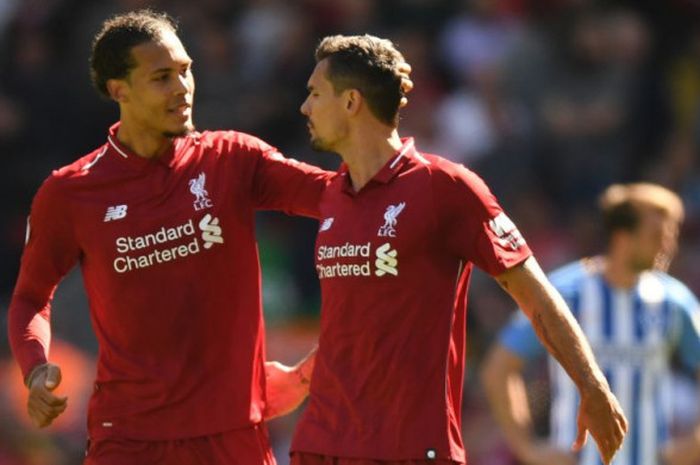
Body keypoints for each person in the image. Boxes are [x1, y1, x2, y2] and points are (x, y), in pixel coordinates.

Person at [7, 10, 411, 465]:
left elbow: (339, 197)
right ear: (119, 89)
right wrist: (36, 367)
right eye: (162, 77)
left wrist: (409, 176)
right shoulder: (70, 193)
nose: (182, 89)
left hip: (234, 436)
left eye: (186, 71)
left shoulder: (232, 159)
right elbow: (29, 299)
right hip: (129, 440)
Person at [266, 34, 627, 465]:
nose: (304, 107)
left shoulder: (445, 187)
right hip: (321, 445)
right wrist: (299, 379)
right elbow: (355, 326)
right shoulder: (331, 196)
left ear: (351, 102)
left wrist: (592, 385)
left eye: (314, 94)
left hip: (411, 448)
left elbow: (536, 294)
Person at [481, 183, 700, 465]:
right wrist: (529, 450)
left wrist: (695, 443)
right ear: (623, 237)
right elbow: (499, 369)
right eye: (657, 235)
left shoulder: (674, 301)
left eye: (672, 235)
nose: (668, 246)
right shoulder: (565, 294)